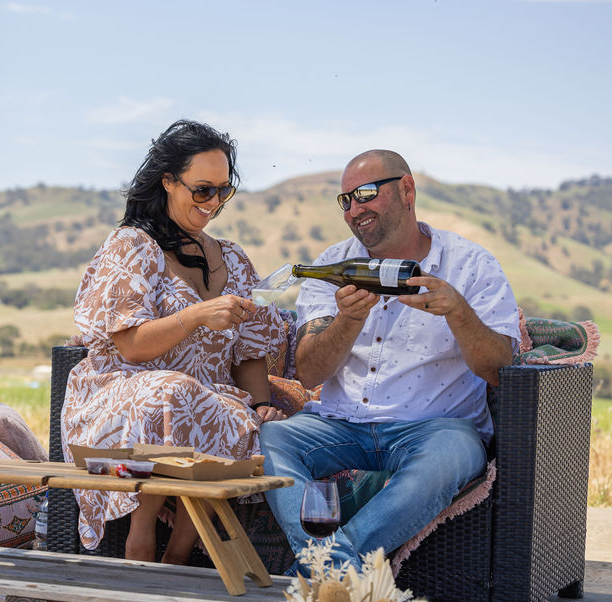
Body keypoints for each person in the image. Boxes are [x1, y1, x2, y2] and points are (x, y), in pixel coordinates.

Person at [260, 149, 521, 573]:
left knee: (452, 453)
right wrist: (347, 320)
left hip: (434, 428)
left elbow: (499, 368)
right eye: (345, 200)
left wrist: (458, 311)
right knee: (270, 440)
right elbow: (309, 372)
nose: (354, 209)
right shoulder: (332, 265)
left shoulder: (471, 264)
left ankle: (318, 571)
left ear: (406, 189)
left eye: (365, 194)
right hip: (340, 425)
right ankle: (336, 572)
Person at [61, 119, 289, 563]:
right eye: (202, 190)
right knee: (176, 393)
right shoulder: (133, 245)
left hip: (203, 397)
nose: (214, 203)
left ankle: (181, 551)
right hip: (121, 394)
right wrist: (195, 315)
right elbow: (129, 346)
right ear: (168, 181)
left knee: (236, 411)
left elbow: (249, 352)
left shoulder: (235, 260)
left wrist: (261, 404)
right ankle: (139, 538)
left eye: (224, 191)